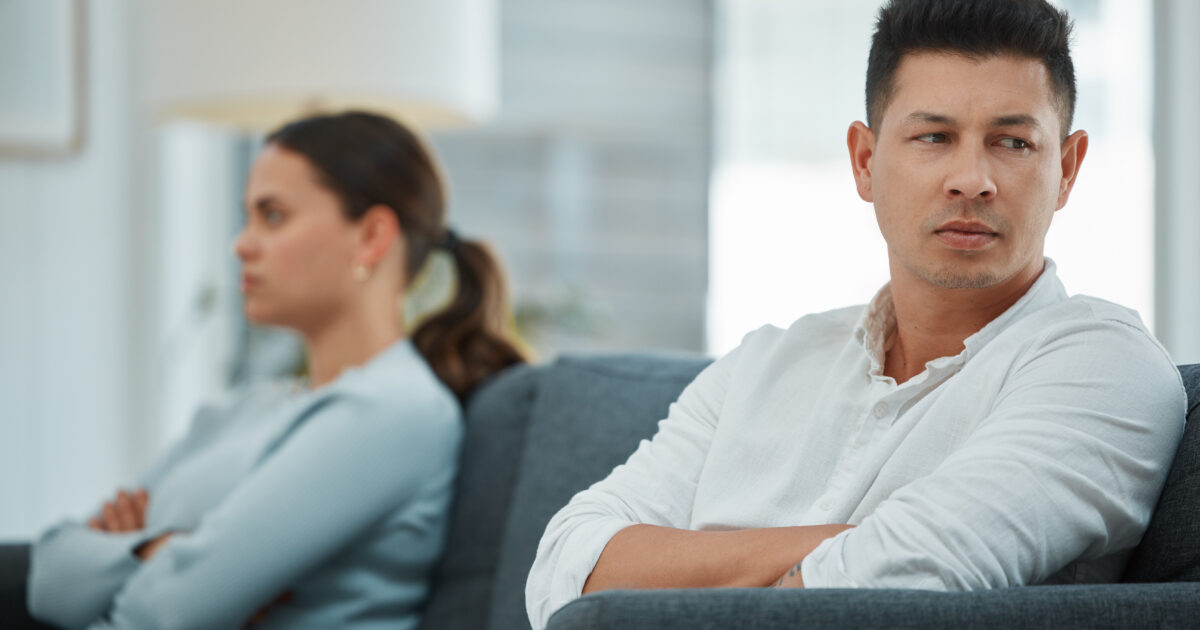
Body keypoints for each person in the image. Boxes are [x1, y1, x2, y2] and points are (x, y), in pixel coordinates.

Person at [525, 0, 1187, 627]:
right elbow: (563, 568)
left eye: (1012, 143)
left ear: (1067, 170)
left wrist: (679, 576)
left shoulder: (1106, 366)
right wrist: (849, 545)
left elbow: (894, 585)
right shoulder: (763, 363)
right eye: (934, 136)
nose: (970, 179)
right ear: (865, 162)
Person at [26, 111, 526, 629]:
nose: (240, 245)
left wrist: (129, 553)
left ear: (372, 236)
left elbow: (163, 610)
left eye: (273, 216)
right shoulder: (248, 407)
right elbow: (47, 579)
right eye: (248, 216)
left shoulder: (396, 411)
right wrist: (155, 550)